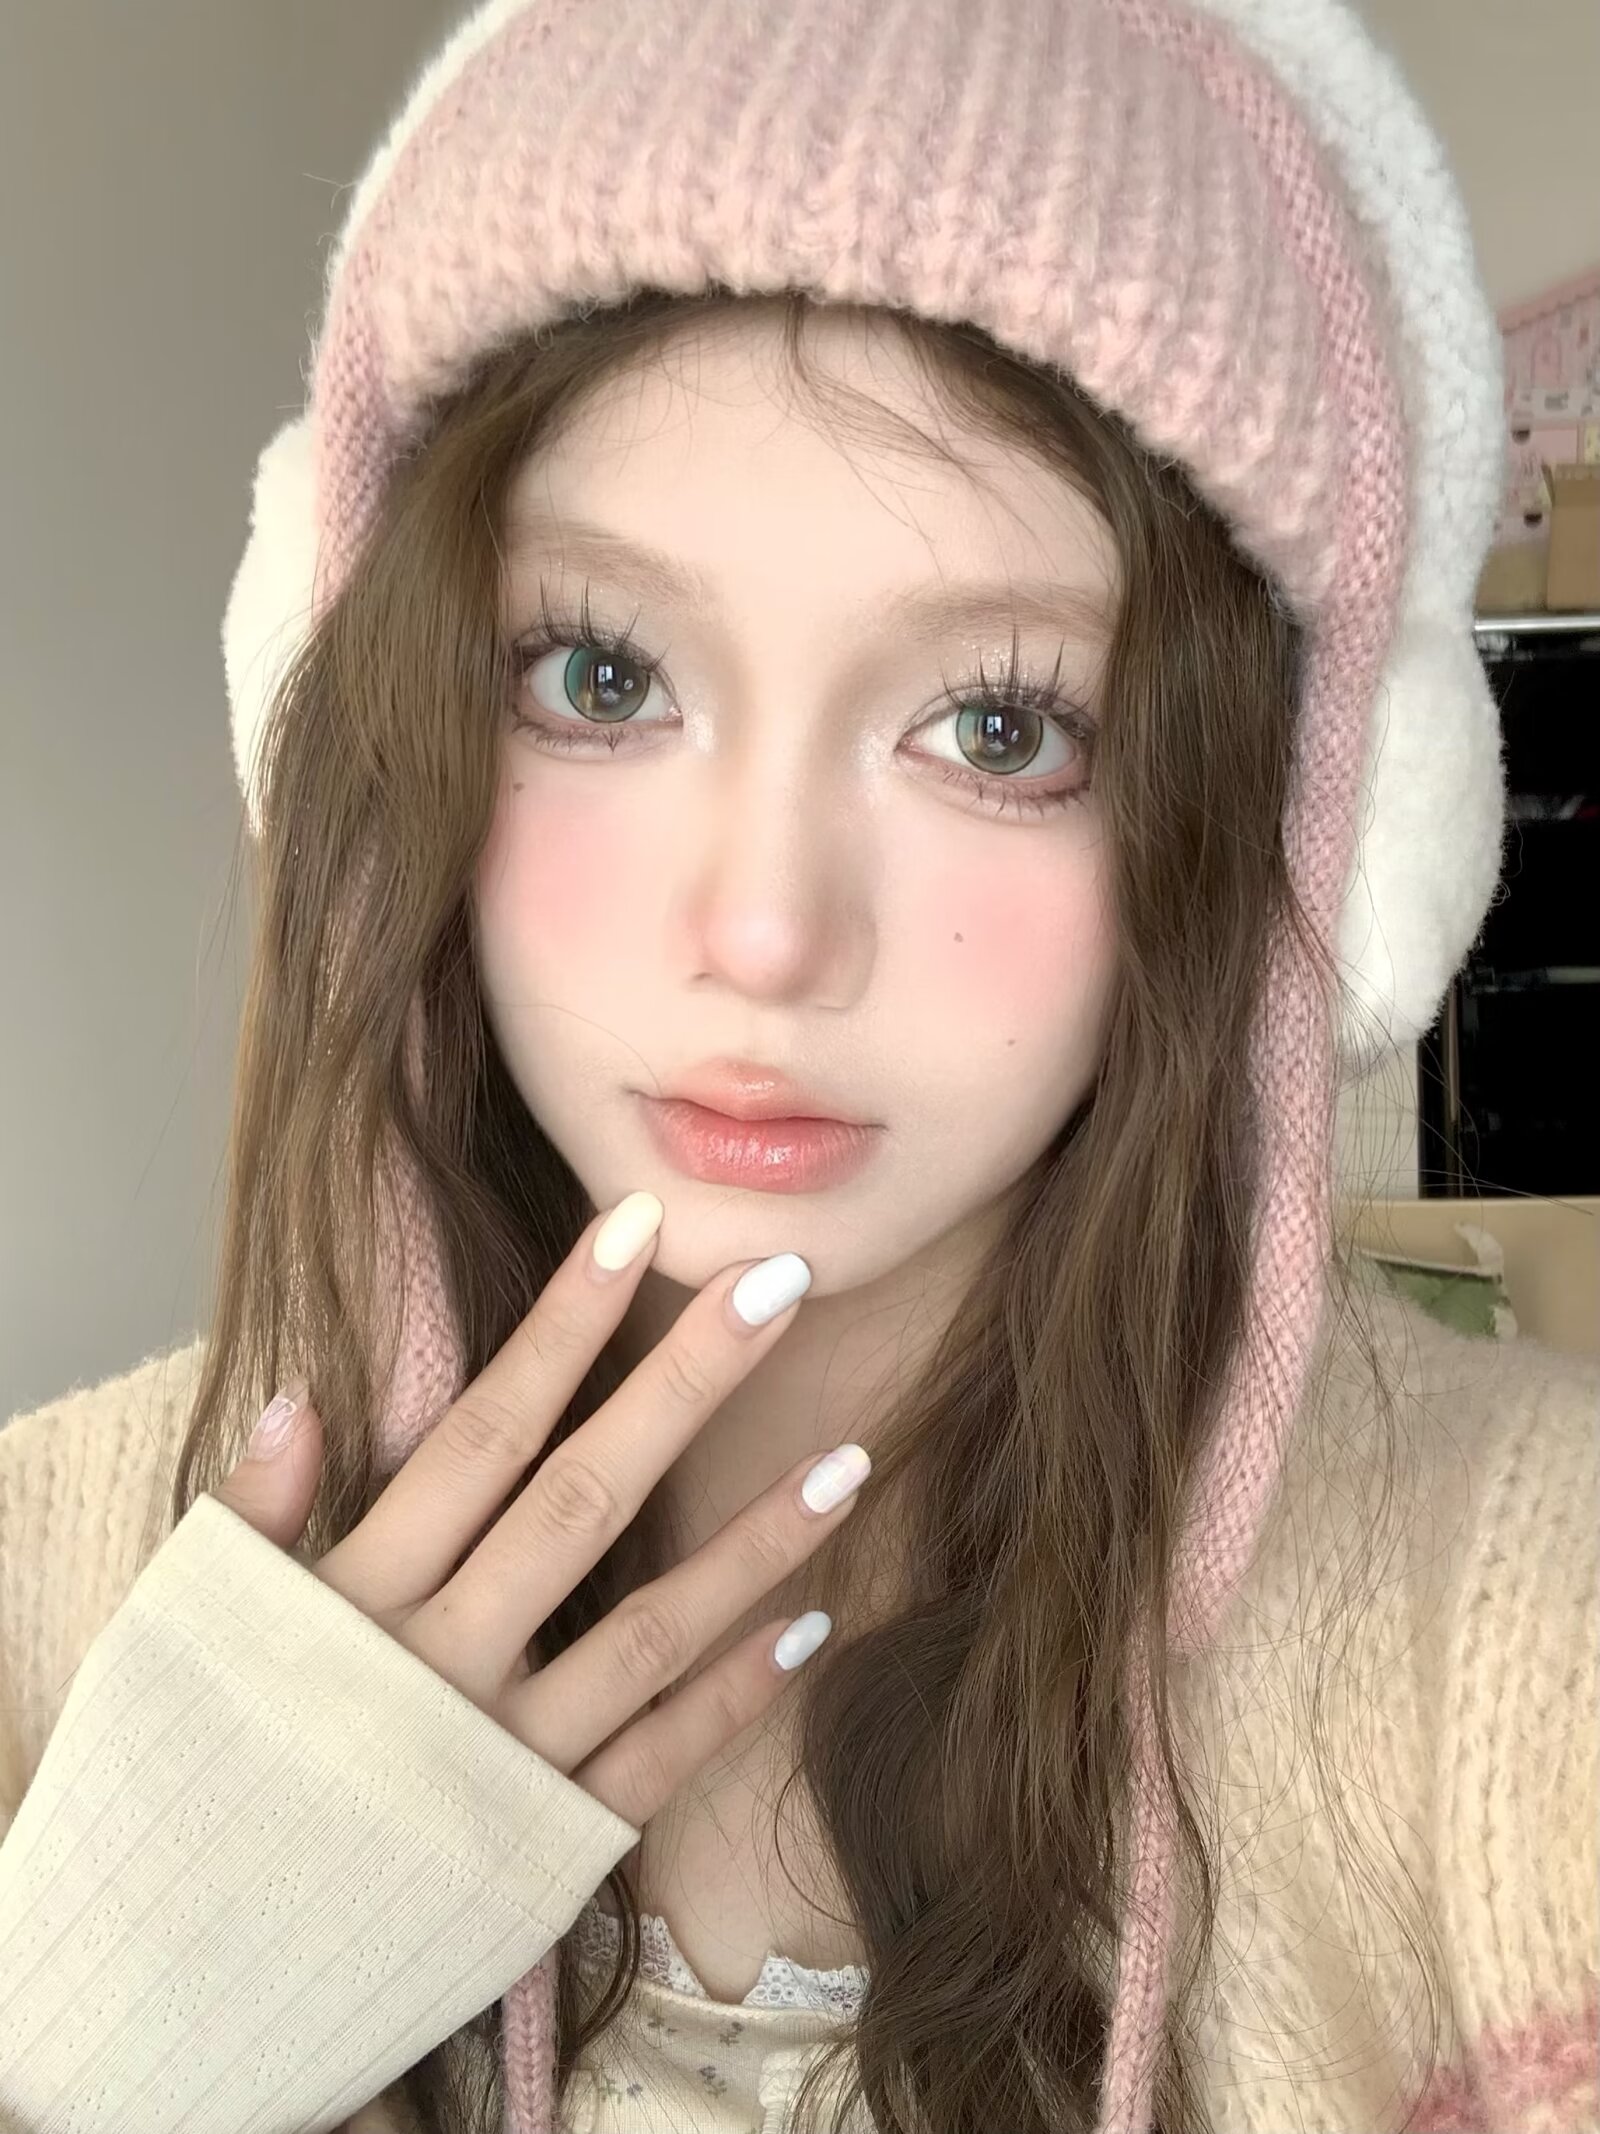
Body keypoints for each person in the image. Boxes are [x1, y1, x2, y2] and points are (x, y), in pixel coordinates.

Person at [1, 0, 1596, 2130]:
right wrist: (91, 2059)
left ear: (1298, 837)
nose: (764, 931)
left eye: (1001, 725)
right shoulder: (39, 1584)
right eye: (599, 676)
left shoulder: (1535, 1627)